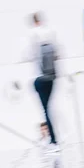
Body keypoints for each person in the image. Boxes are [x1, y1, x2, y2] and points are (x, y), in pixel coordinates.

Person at [28, 13, 60, 153]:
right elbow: (58, 54)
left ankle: (53, 140)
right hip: (51, 77)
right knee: (49, 108)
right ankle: (53, 139)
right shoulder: (50, 32)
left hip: (39, 78)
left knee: (46, 109)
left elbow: (29, 55)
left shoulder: (32, 34)